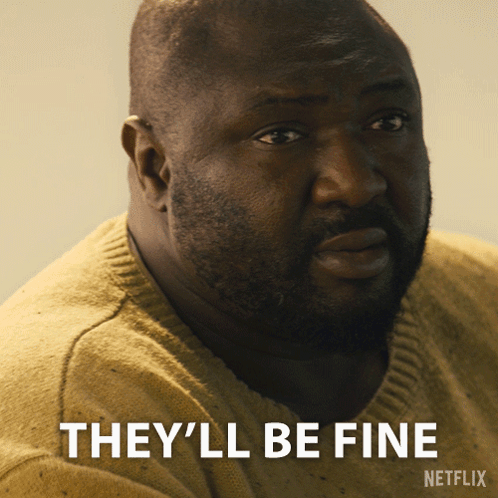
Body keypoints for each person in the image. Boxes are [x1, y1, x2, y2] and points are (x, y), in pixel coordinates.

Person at [1, 0, 497, 496]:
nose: (355, 184)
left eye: (388, 122)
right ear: (155, 167)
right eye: (280, 135)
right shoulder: (71, 437)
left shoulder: (482, 293)